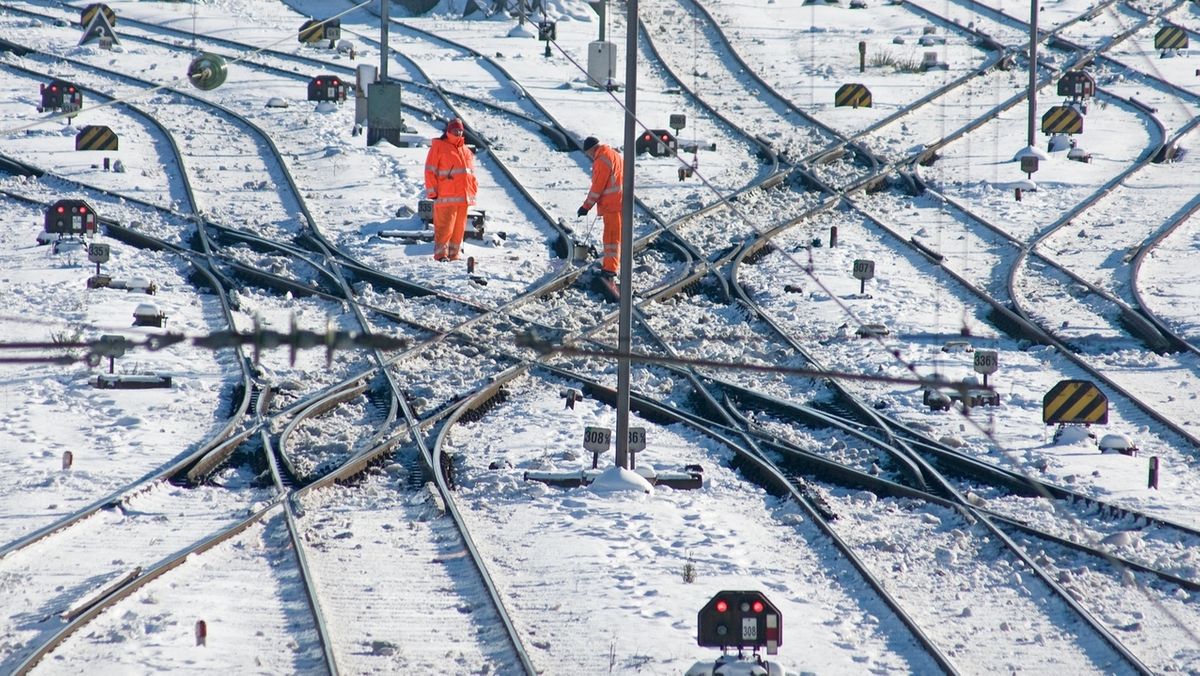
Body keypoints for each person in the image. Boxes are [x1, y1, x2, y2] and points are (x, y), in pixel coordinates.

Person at [424, 118, 478, 261]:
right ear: (448, 131)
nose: (458, 132)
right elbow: (430, 170)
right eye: (455, 130)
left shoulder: (465, 150)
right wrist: (432, 191)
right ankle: (441, 255)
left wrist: (473, 190)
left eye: (460, 130)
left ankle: (454, 254)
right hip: (445, 196)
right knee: (444, 228)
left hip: (463, 197)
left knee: (458, 229)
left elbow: (470, 174)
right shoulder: (439, 146)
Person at [577, 136, 624, 277]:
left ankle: (610, 268)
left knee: (610, 239)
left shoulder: (601, 160)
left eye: (589, 154)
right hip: (619, 202)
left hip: (611, 205)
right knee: (614, 237)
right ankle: (611, 265)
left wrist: (586, 207)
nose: (590, 157)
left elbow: (597, 187)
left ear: (592, 149)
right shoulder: (613, 154)